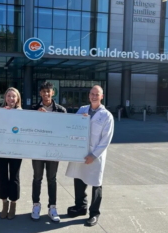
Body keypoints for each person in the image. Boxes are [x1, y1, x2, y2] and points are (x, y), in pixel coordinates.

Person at [65, 85, 114, 227]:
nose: (93, 96)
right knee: (79, 179)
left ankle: (94, 213)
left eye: (96, 94)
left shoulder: (107, 116)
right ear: (89, 95)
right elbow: (73, 126)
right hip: (80, 152)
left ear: (101, 96)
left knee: (96, 183)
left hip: (95, 156)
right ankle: (81, 206)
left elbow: (106, 140)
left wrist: (94, 155)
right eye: (92, 94)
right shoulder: (82, 110)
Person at [31, 81, 66, 223]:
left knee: (52, 179)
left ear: (53, 93)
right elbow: (28, 128)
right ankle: (36, 205)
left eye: (48, 91)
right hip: (38, 150)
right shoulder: (33, 109)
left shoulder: (61, 110)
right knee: (37, 178)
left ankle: (52, 207)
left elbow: (65, 129)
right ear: (40, 93)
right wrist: (36, 117)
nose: (46, 94)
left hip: (53, 150)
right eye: (44, 91)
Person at [0, 87, 23, 220]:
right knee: (2, 176)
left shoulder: (23, 113)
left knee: (14, 177)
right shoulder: (0, 112)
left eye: (13, 96)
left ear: (18, 98)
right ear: (5, 98)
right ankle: (4, 203)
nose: (11, 99)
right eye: (9, 96)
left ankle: (13, 204)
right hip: (1, 149)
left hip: (16, 150)